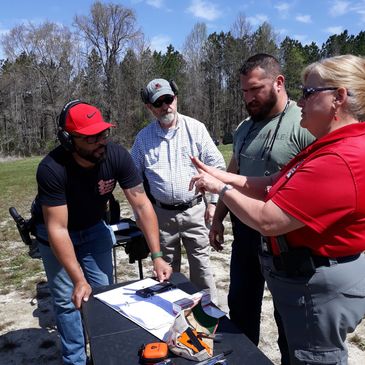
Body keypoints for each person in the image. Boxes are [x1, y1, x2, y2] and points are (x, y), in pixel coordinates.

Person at [190, 54, 365, 365]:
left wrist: (220, 189)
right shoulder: (330, 144)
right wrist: (220, 176)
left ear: (339, 98)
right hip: (291, 265)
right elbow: (274, 181)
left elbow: (268, 220)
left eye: (309, 93)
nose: (301, 100)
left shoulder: (338, 157)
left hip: (314, 281)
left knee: (309, 355)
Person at [33, 100, 172, 365]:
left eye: (103, 133)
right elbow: (57, 228)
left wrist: (157, 255)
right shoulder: (51, 169)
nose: (100, 141)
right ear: (68, 140)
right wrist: (77, 278)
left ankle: (104, 355)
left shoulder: (116, 156)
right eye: (90, 137)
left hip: (94, 228)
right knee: (68, 300)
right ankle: (75, 360)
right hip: (57, 234)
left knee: (103, 294)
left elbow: (142, 205)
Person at [210, 53, 314, 360]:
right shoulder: (245, 128)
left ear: (279, 82)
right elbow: (234, 172)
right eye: (244, 91)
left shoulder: (304, 124)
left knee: (289, 322)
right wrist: (218, 218)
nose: (248, 98)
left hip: (288, 241)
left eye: (255, 89)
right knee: (241, 310)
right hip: (245, 237)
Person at [131, 79, 226, 301]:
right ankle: (173, 322)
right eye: (159, 103)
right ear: (150, 107)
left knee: (201, 271)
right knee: (167, 273)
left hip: (195, 211)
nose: (166, 106)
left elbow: (217, 166)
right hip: (161, 216)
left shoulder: (196, 129)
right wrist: (140, 215)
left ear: (176, 98)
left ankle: (207, 322)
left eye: (169, 99)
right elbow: (132, 179)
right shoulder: (143, 139)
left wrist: (212, 203)